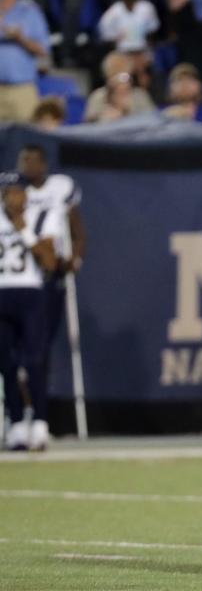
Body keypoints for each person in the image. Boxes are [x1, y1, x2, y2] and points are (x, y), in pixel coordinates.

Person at [17, 145, 85, 449]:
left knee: (39, 348)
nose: (26, 167)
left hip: (49, 276)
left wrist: (76, 257)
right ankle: (21, 415)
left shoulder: (62, 187)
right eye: (23, 162)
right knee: (20, 352)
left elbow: (76, 227)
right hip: (19, 278)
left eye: (31, 161)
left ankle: (35, 414)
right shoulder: (15, 194)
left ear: (43, 164)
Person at [0, 172, 61, 451]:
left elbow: (49, 261)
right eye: (6, 191)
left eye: (16, 190)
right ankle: (15, 423)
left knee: (35, 360)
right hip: (2, 292)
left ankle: (39, 422)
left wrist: (22, 226)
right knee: (6, 363)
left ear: (26, 193)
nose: (11, 196)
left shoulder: (43, 215)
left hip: (31, 292)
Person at [0, 0, 49, 123]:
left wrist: (20, 39)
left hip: (22, 90)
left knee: (27, 143)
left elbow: (42, 50)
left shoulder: (30, 12)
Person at [97, 0, 159, 89]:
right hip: (121, 53)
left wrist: (145, 53)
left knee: (149, 64)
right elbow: (107, 39)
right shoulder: (113, 13)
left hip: (142, 51)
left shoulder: (147, 8)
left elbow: (151, 33)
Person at [84, 51, 156, 123]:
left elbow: (153, 121)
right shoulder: (98, 96)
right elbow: (89, 125)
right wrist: (104, 119)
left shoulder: (139, 95)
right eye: (114, 76)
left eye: (124, 76)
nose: (120, 82)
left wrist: (126, 112)